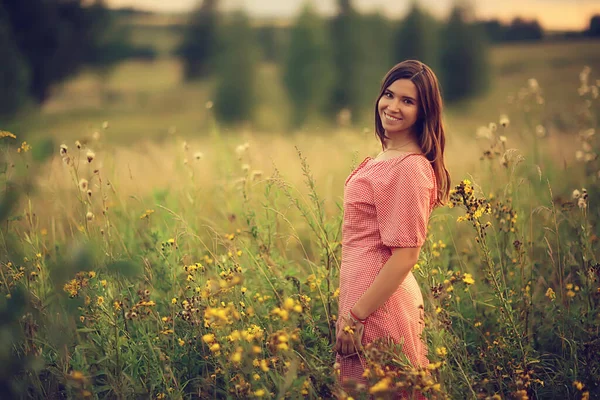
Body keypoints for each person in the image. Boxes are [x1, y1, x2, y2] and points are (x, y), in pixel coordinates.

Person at [334, 60, 451, 397]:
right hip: (363, 299)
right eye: (389, 95)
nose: (393, 106)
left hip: (378, 307)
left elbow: (406, 255)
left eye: (408, 101)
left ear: (424, 111)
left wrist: (356, 316)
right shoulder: (386, 158)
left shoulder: (409, 168)